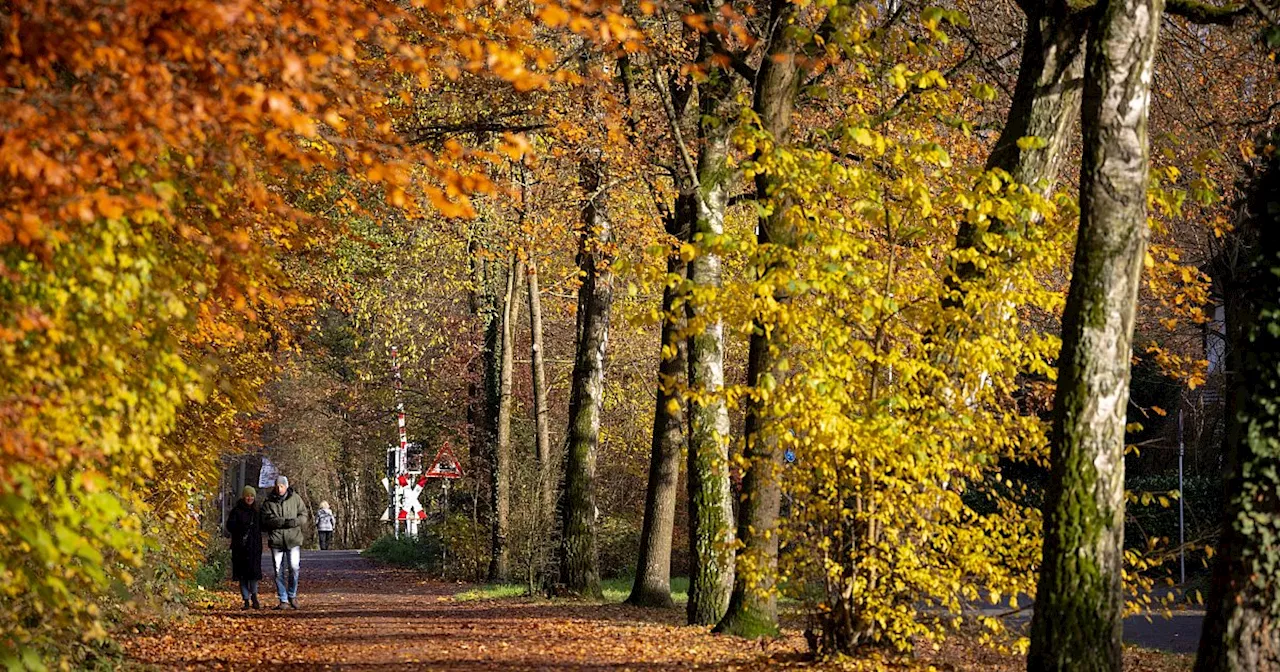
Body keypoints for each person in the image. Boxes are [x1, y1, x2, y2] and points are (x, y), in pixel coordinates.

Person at [261, 475, 307, 609]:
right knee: (277, 570)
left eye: (281, 486)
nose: (279, 488)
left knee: (294, 568)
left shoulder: (296, 498)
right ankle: (283, 599)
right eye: (277, 486)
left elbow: (304, 515)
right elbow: (264, 520)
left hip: (293, 539)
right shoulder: (268, 502)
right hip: (276, 540)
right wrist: (279, 522)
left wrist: (295, 522)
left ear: (286, 486)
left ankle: (292, 594)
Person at [224, 485, 262, 609]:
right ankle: (246, 599)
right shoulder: (236, 511)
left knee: (253, 575)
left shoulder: (257, 511)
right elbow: (230, 526)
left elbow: (262, 527)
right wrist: (240, 530)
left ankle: (254, 596)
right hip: (240, 547)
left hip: (254, 547)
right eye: (247, 495)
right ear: (243, 497)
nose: (249, 498)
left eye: (251, 496)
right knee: (242, 576)